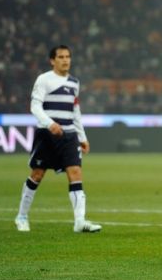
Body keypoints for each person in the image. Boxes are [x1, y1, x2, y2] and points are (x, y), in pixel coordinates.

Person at [14, 45, 102, 233]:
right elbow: (35, 106)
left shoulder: (74, 83)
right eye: (61, 57)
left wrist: (82, 137)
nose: (65, 60)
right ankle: (21, 216)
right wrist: (49, 123)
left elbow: (75, 111)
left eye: (68, 56)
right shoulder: (44, 80)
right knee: (37, 174)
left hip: (69, 136)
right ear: (52, 60)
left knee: (76, 173)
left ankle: (80, 222)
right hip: (46, 135)